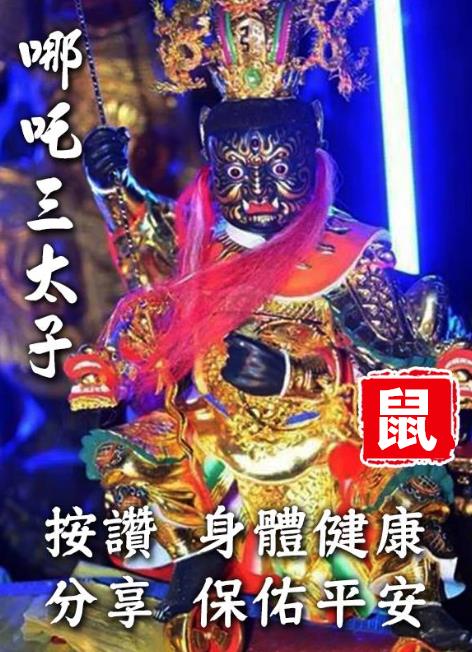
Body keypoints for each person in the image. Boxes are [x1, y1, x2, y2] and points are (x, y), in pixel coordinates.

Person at [66, 1, 472, 649]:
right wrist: (112, 185)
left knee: (408, 467)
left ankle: (414, 599)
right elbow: (150, 261)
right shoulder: (202, 246)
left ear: (313, 141)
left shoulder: (353, 257)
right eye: (236, 171)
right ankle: (196, 562)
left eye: (280, 168)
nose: (258, 191)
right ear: (209, 147)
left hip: (332, 443)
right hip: (218, 438)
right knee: (135, 447)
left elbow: (406, 358)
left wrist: (300, 375)